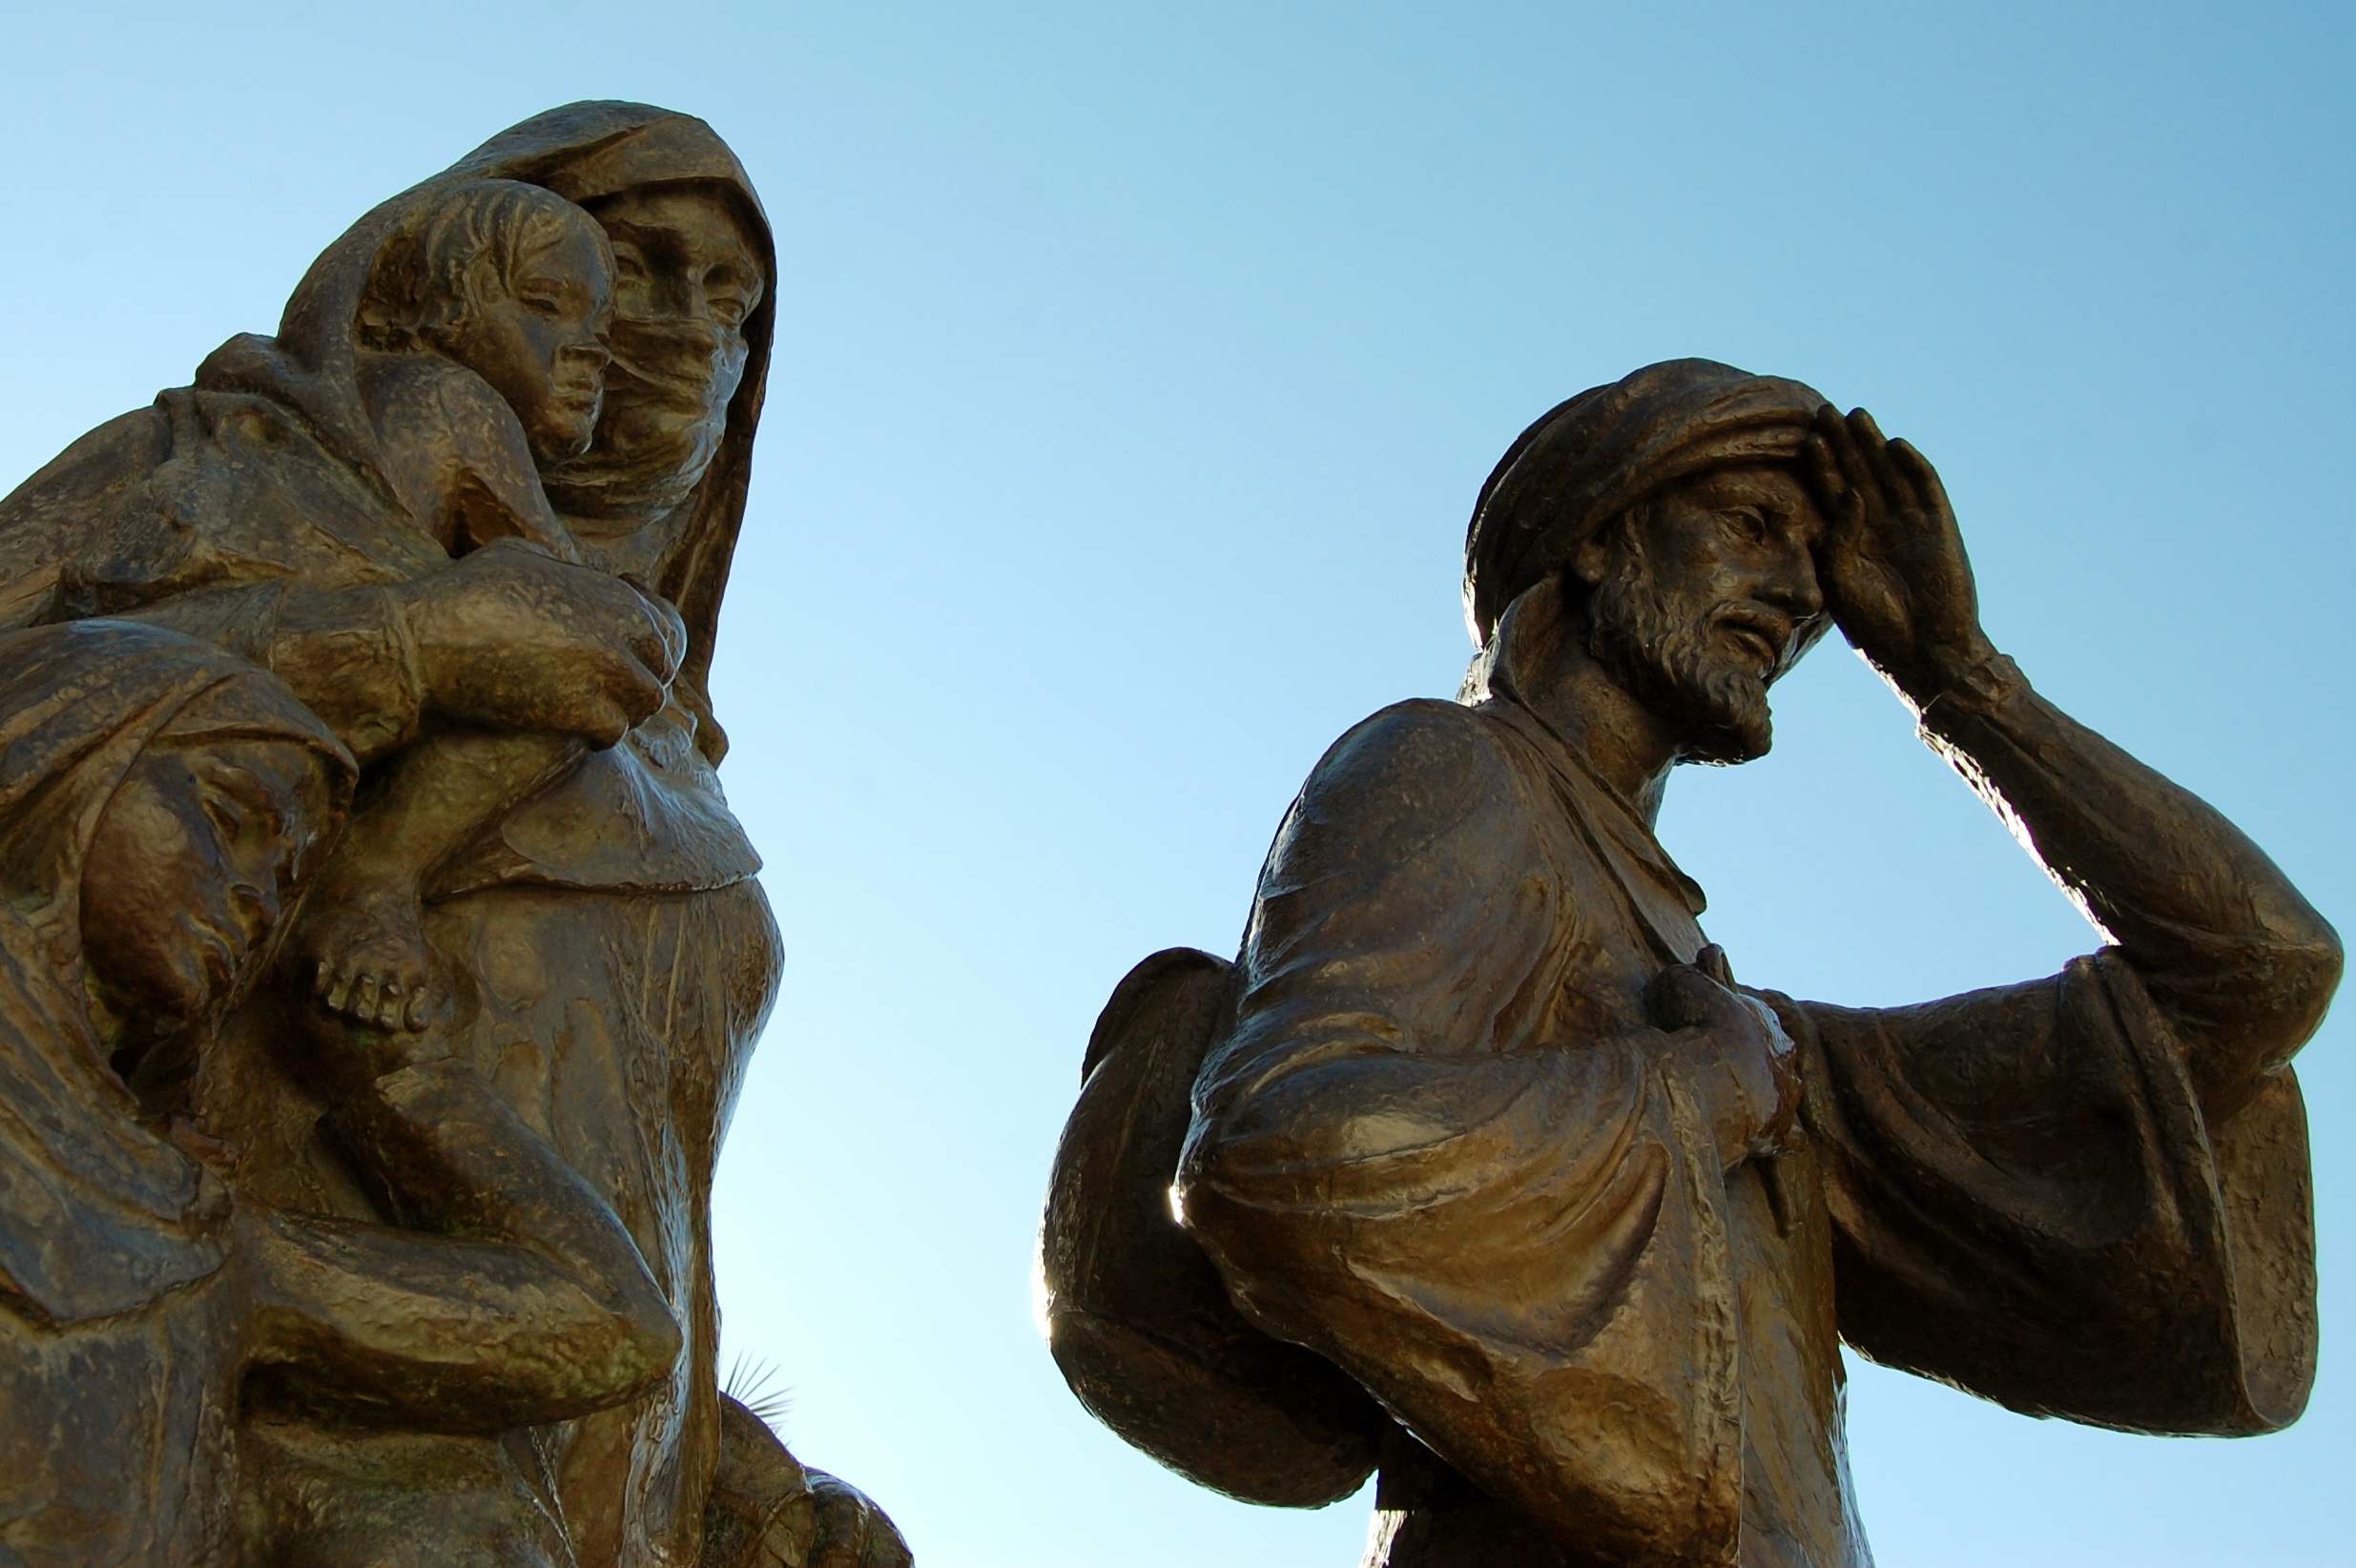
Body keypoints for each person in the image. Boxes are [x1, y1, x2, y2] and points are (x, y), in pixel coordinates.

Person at [1142, 360, 2335, 1566]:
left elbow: (2256, 967)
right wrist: (1708, 1091)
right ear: (1599, 538)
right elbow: (1276, 1150)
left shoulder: (1738, 1020)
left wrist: (1955, 671)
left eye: (1817, 566)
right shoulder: (1449, 770)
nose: (1799, 594)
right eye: (1750, 526)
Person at [0, 103, 902, 1567]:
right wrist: (401, 647)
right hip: (261, 1418)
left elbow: (628, 1188)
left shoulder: (677, 754)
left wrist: (704, 1471)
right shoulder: (225, 471)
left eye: (732, 304)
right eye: (636, 265)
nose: (683, 328)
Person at [0, 620, 679, 1568]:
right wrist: (408, 638)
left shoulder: (184, 1236)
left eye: (284, 880)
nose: (257, 897)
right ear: (68, 761)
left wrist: (399, 1077)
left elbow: (612, 1320)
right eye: (228, 818)